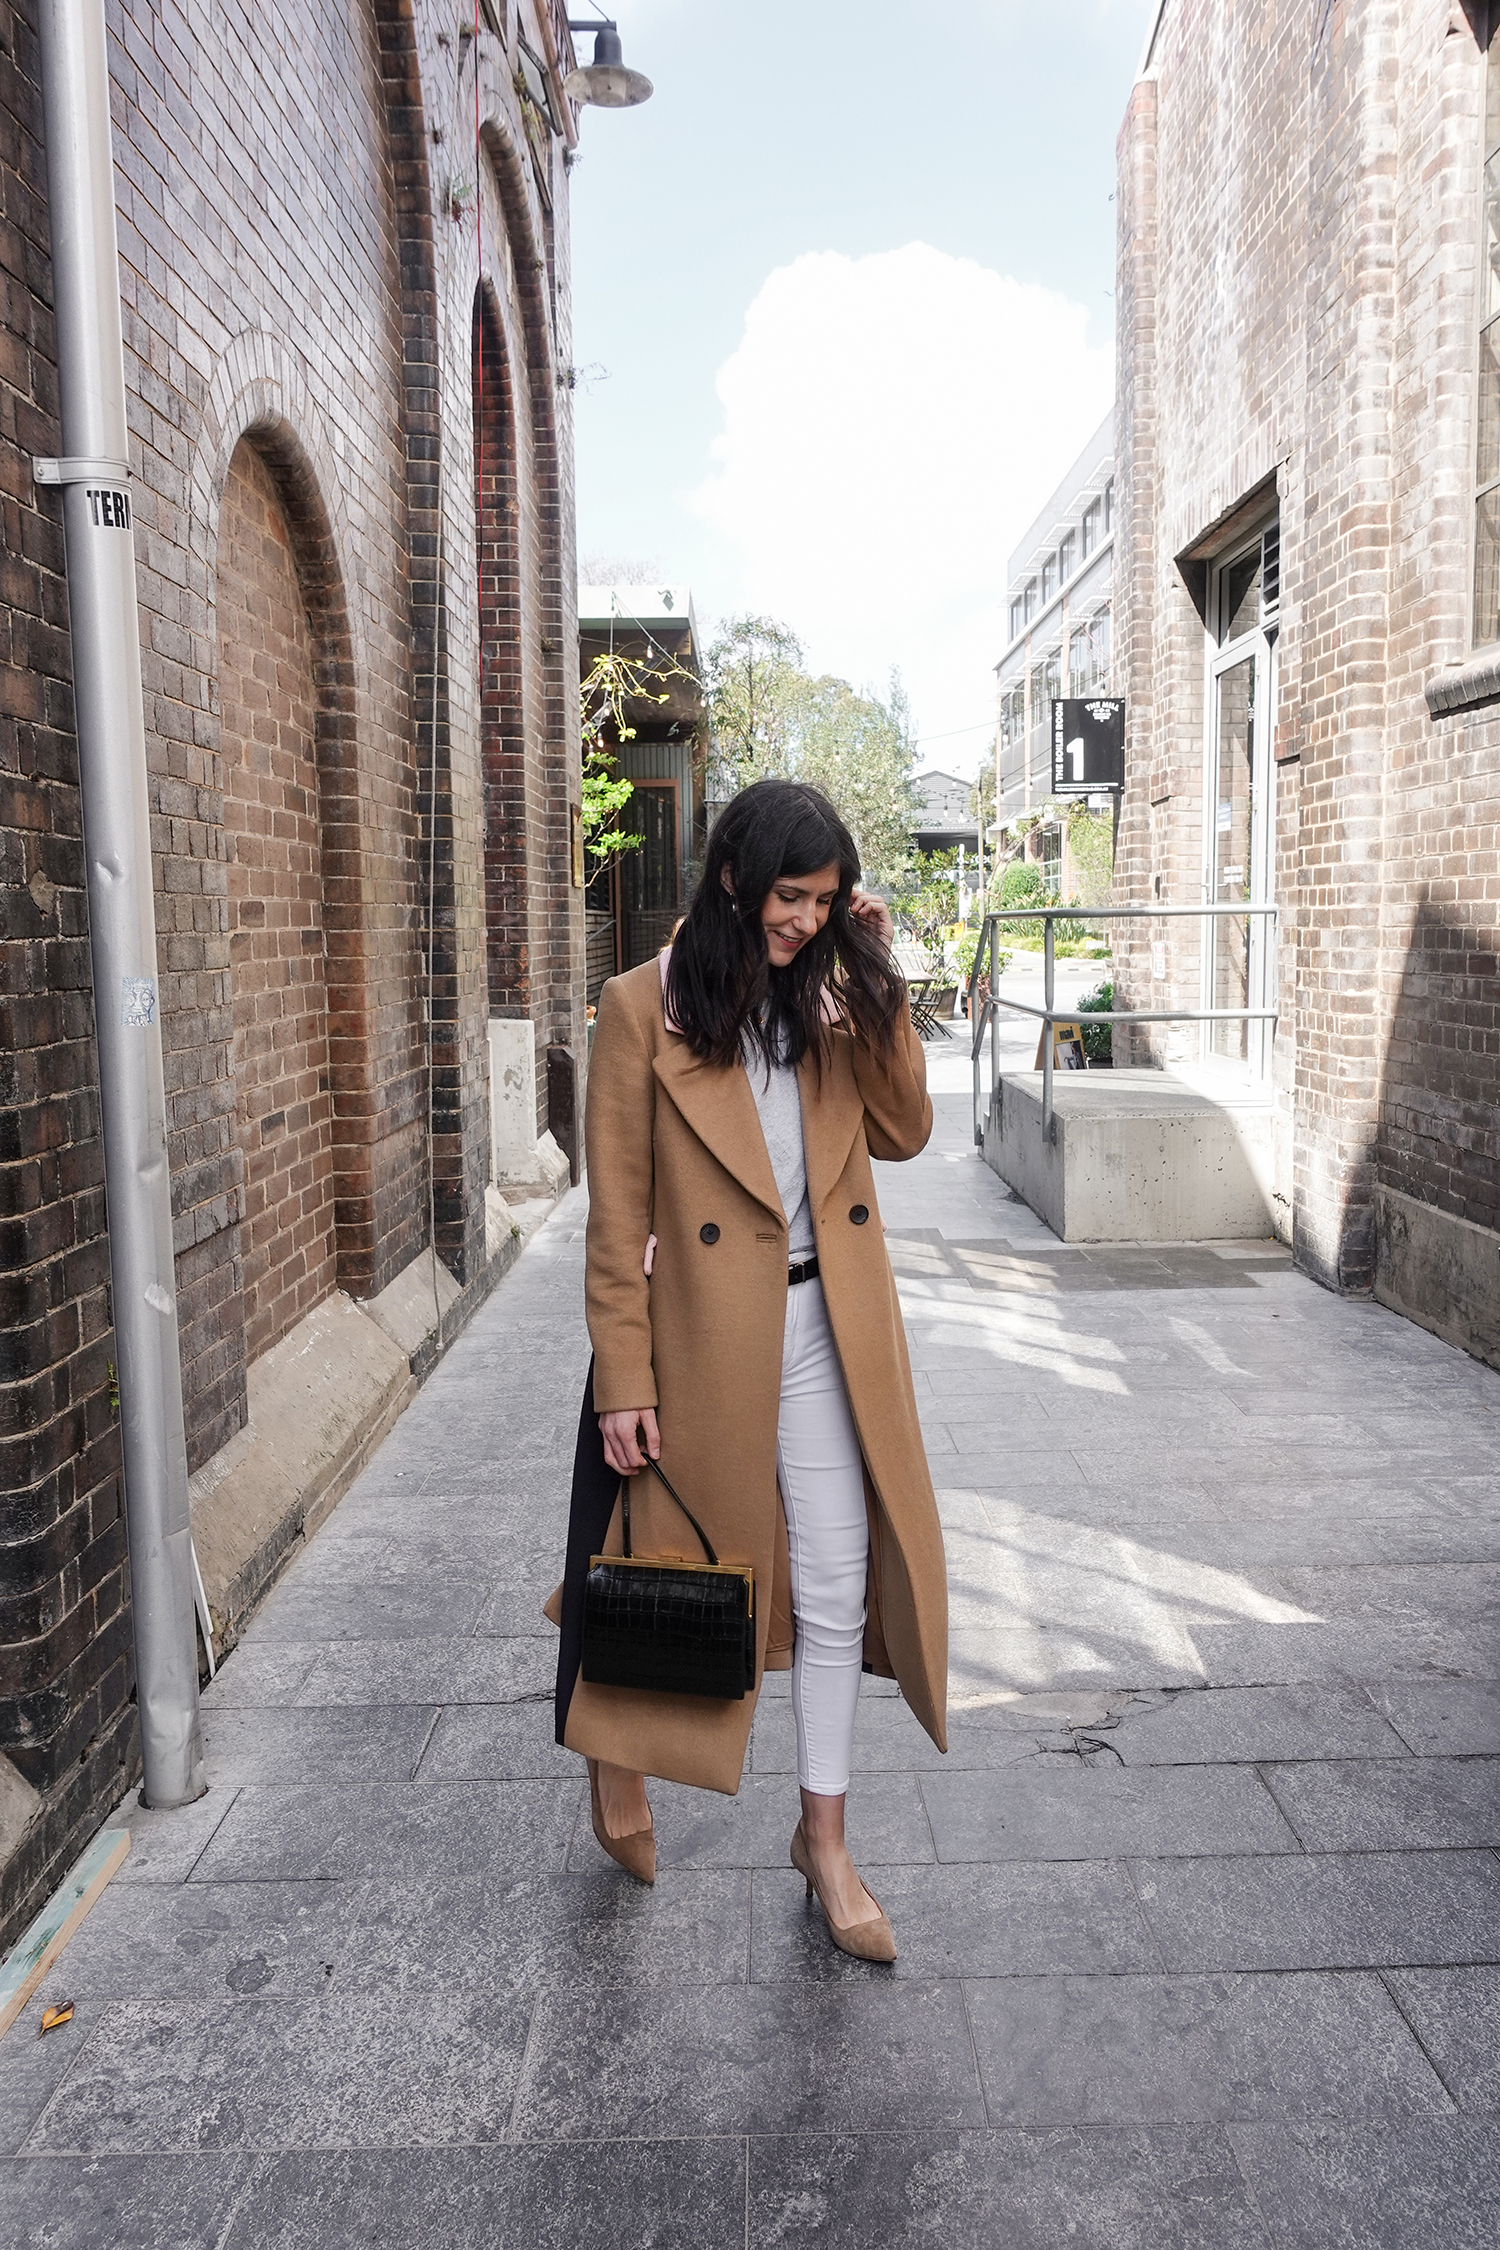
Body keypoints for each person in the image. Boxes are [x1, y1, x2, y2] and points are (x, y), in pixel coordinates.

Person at [548, 779, 948, 1961]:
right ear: (732, 876)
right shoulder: (641, 1008)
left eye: (827, 900)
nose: (808, 920)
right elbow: (615, 1215)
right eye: (791, 897)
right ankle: (616, 1756)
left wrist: (875, 986)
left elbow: (909, 1131)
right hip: (702, 1342)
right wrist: (624, 1376)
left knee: (832, 1586)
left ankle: (823, 1838)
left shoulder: (830, 996)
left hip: (828, 1328)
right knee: (670, 1572)